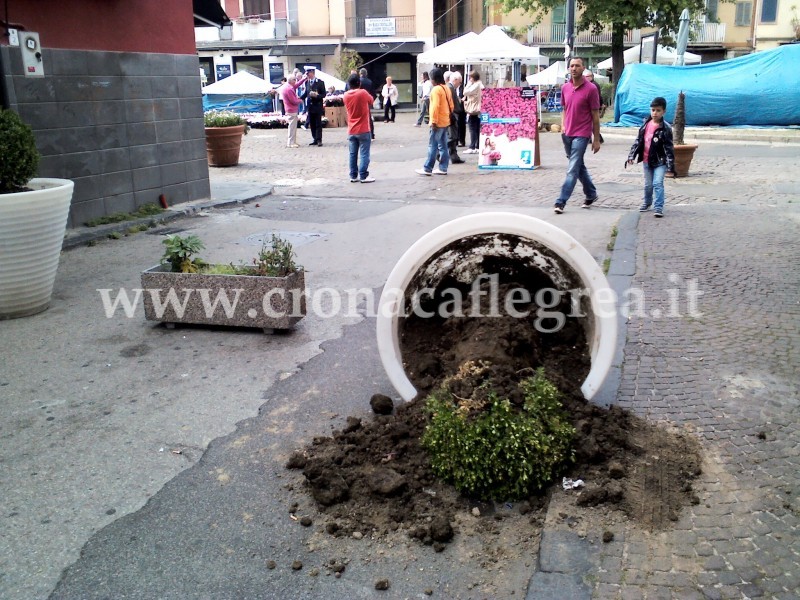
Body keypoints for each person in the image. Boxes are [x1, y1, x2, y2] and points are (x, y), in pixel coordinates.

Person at [553, 56, 601, 214]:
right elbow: (564, 108)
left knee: (572, 168)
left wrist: (596, 139)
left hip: (582, 134)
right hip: (567, 133)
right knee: (578, 165)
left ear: (583, 68)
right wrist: (563, 125)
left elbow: (595, 116)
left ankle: (561, 201)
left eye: (577, 66)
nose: (574, 68)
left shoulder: (591, 89)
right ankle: (591, 194)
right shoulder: (565, 88)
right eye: (572, 66)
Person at [626, 96, 675, 218]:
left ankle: (658, 207)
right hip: (647, 160)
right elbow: (638, 141)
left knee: (657, 183)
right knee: (648, 184)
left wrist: (670, 166)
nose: (655, 113)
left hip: (660, 161)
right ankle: (647, 202)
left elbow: (669, 148)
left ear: (664, 111)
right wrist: (632, 155)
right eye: (653, 110)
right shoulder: (645, 125)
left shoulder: (666, 128)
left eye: (658, 110)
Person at [415, 67, 453, 176]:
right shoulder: (446, 88)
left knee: (433, 145)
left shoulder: (436, 90)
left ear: (434, 79)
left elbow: (435, 107)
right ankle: (443, 167)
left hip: (438, 121)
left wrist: (434, 121)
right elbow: (451, 105)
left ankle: (428, 168)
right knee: (443, 146)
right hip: (445, 120)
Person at [343, 74, 375, 183]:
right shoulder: (363, 93)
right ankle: (363, 175)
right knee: (364, 153)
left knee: (352, 154)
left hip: (351, 129)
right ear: (359, 83)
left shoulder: (345, 95)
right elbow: (371, 101)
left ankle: (353, 175)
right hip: (363, 128)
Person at [300, 66, 326, 146]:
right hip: (310, 106)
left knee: (318, 123)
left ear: (312, 73)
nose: (307, 75)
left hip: (317, 105)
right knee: (312, 123)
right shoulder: (307, 82)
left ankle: (319, 139)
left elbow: (323, 94)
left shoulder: (320, 82)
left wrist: (317, 96)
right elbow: (306, 93)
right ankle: (314, 138)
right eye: (307, 73)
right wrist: (299, 98)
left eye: (308, 73)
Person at [280, 73, 308, 148]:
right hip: (291, 110)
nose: (295, 81)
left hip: (290, 109)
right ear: (291, 81)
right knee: (292, 127)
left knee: (293, 127)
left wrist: (303, 79)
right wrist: (300, 100)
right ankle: (291, 143)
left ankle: (293, 141)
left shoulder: (288, 86)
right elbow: (294, 101)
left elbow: (296, 85)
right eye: (294, 80)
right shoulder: (289, 89)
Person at [462, 71, 484, 153]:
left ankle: (472, 146)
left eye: (470, 77)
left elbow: (465, 92)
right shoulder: (481, 84)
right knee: (477, 127)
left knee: (472, 127)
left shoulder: (475, 85)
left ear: (472, 78)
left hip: (473, 108)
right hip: (479, 108)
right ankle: (477, 146)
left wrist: (468, 84)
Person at [447, 71, 465, 164]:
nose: (460, 84)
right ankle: (440, 153)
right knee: (452, 137)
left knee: (453, 137)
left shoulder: (450, 88)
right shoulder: (450, 88)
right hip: (452, 115)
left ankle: (454, 156)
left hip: (452, 114)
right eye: (460, 82)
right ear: (456, 80)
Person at [359, 68, 376, 140]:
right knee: (369, 118)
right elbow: (373, 93)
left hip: (359, 102)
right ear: (366, 74)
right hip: (367, 102)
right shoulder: (369, 82)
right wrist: (370, 101)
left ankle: (360, 133)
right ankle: (372, 134)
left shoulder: (358, 81)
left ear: (360, 73)